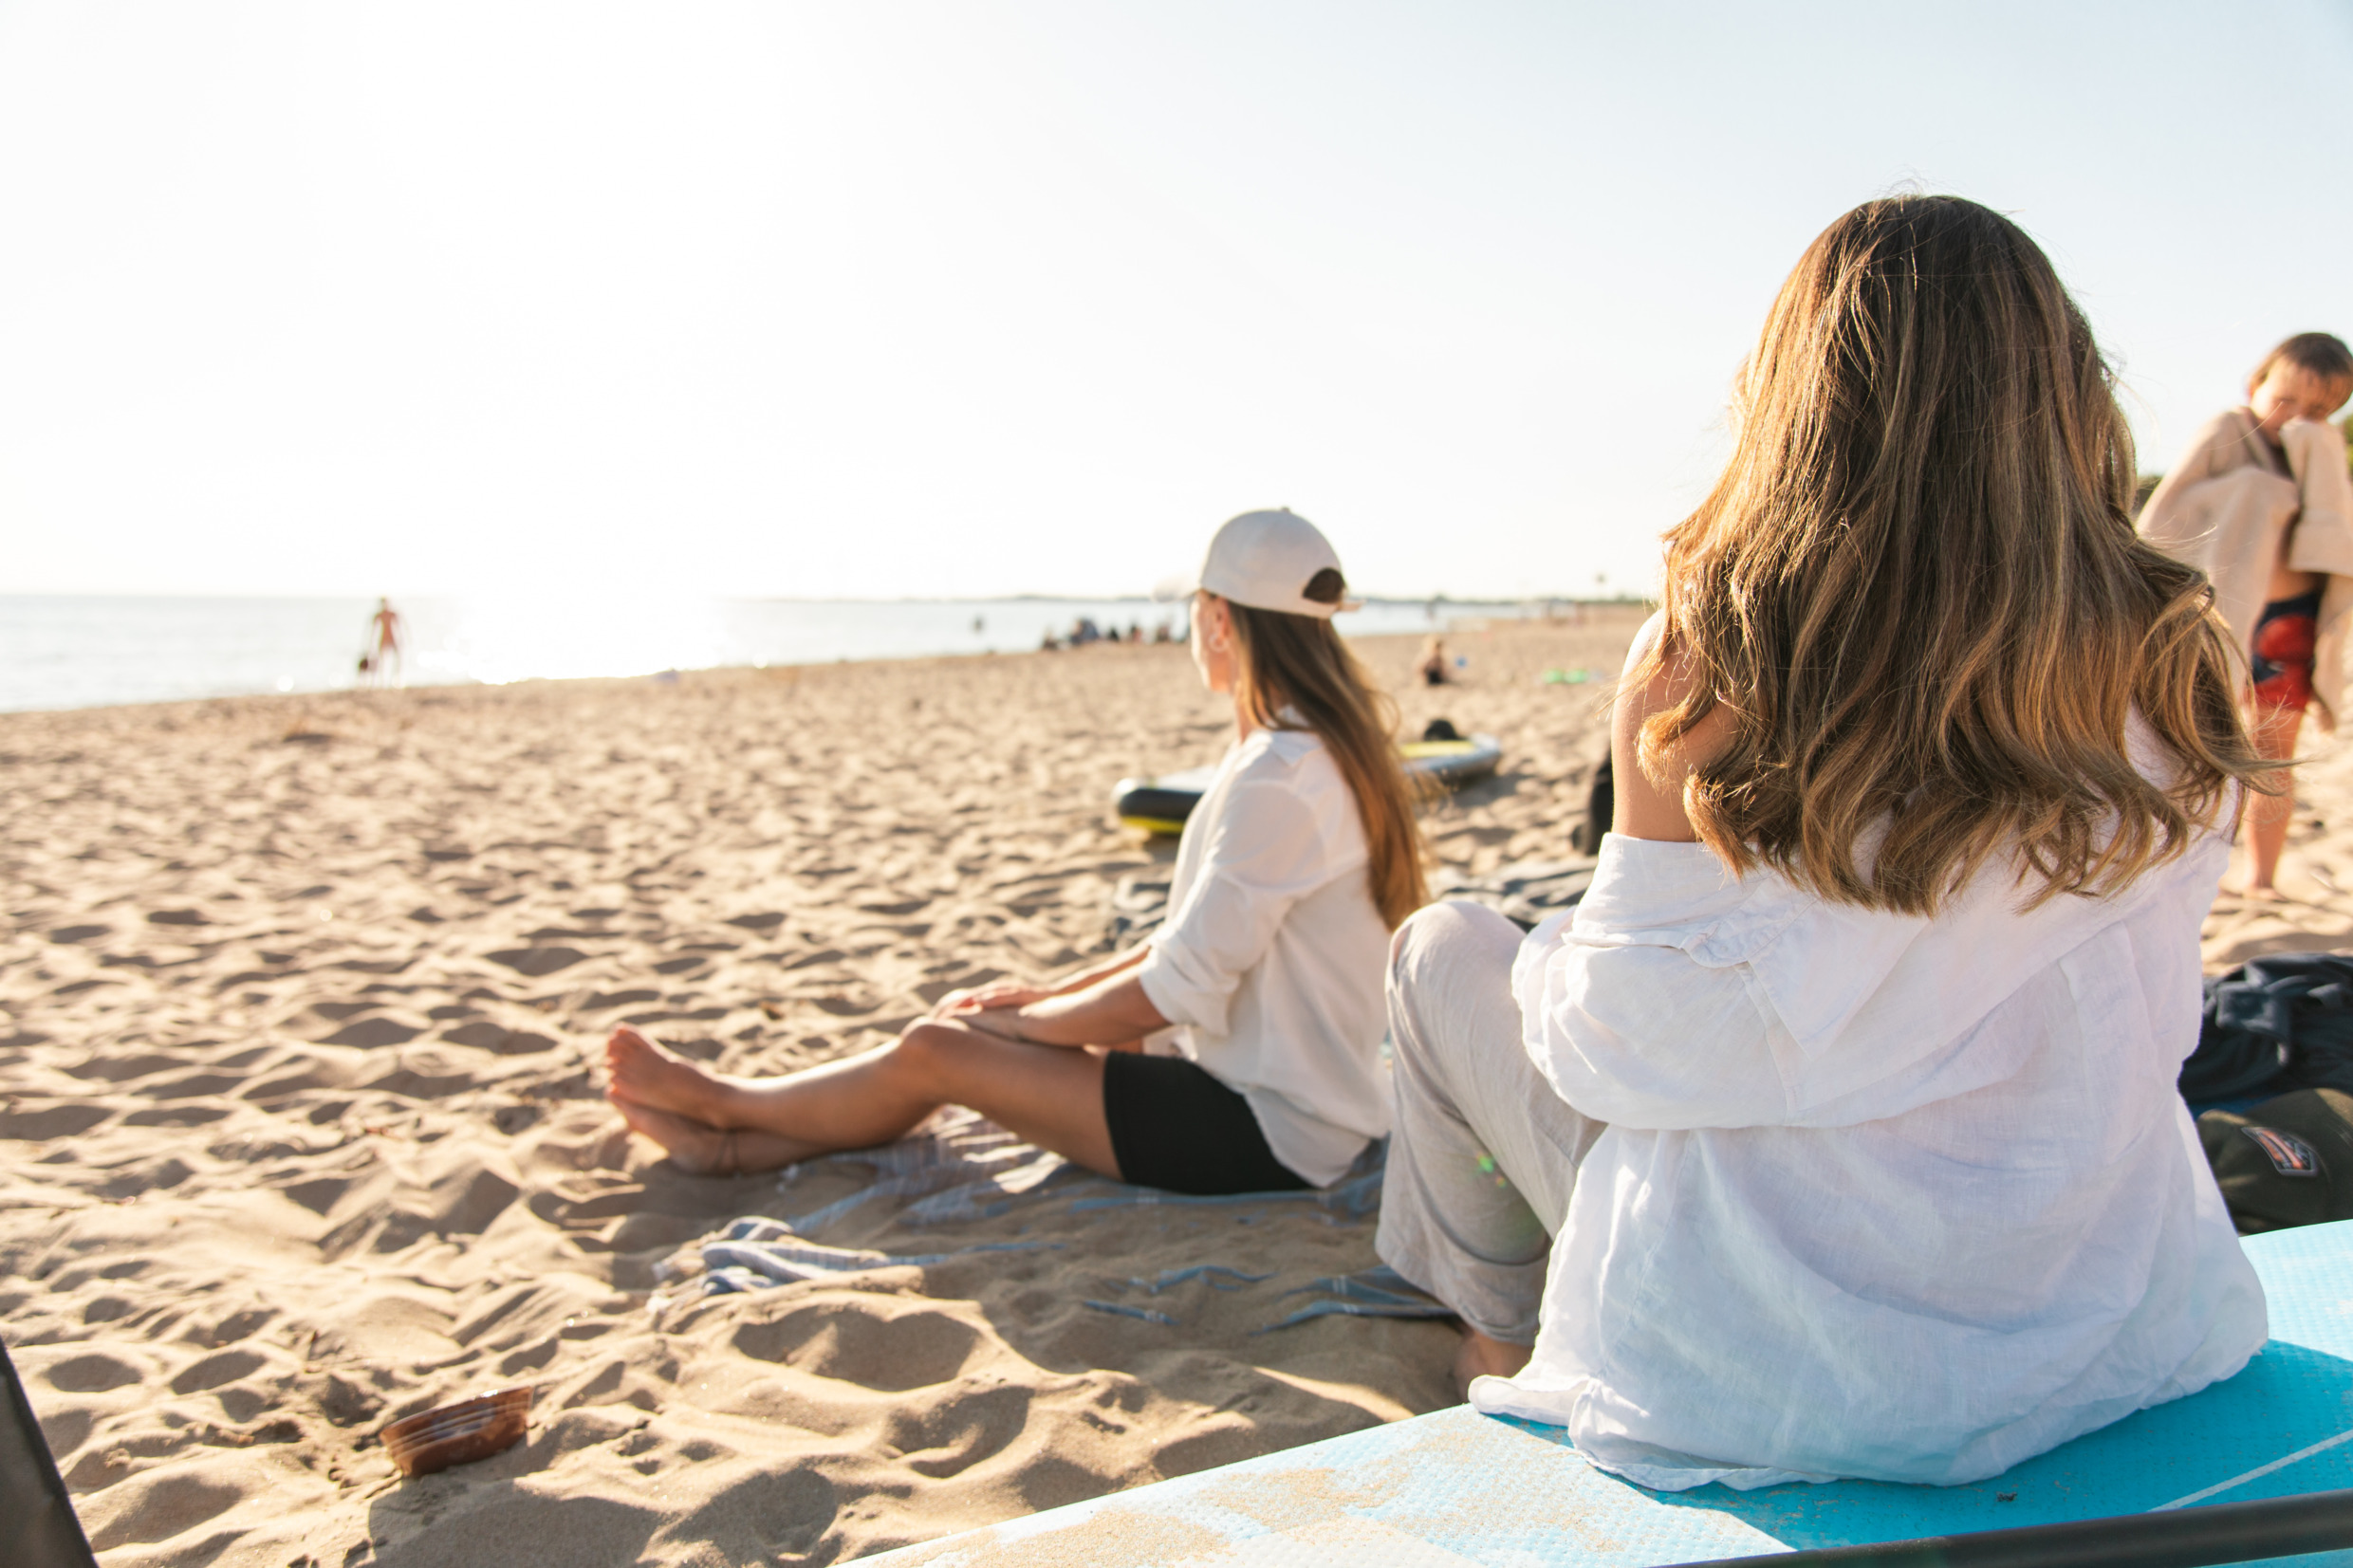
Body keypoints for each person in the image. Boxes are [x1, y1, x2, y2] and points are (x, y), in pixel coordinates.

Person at [1373, 196, 2272, 1491]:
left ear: (1798, 405)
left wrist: (1608, 873)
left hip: (1791, 1377)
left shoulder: (1735, 667)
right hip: (2104, 1330)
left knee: (1447, 947)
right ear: (2068, 394)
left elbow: (1620, 1051)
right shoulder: (2178, 667)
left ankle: (1494, 1331)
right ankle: (1498, 1321)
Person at [605, 509, 1427, 1193]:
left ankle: (726, 1106)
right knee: (966, 1028)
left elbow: (1179, 981)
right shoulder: (1307, 752)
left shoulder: (1282, 776)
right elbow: (1187, 944)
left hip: (1271, 1128)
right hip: (1262, 1077)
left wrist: (1039, 1028)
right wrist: (1046, 1001)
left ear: (1218, 619)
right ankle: (735, 1140)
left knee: (941, 1049)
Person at [2139, 333, 2353, 897]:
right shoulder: (2227, 433)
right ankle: (2176, 868)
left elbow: (2333, 532)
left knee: (2274, 752)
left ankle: (2261, 877)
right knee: (2192, 741)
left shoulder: (2321, 452)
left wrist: (2318, 461)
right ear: (2255, 384)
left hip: (2291, 619)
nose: (2296, 420)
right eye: (2285, 401)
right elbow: (2167, 518)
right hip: (2222, 618)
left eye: (2319, 411)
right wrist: (2256, 492)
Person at [360, 598, 403, 687]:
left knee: (398, 659)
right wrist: (370, 643)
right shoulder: (379, 615)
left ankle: (396, 680)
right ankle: (382, 681)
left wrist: (402, 639)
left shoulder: (393, 614)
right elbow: (373, 630)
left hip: (392, 638)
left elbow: (400, 628)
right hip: (383, 638)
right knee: (382, 661)